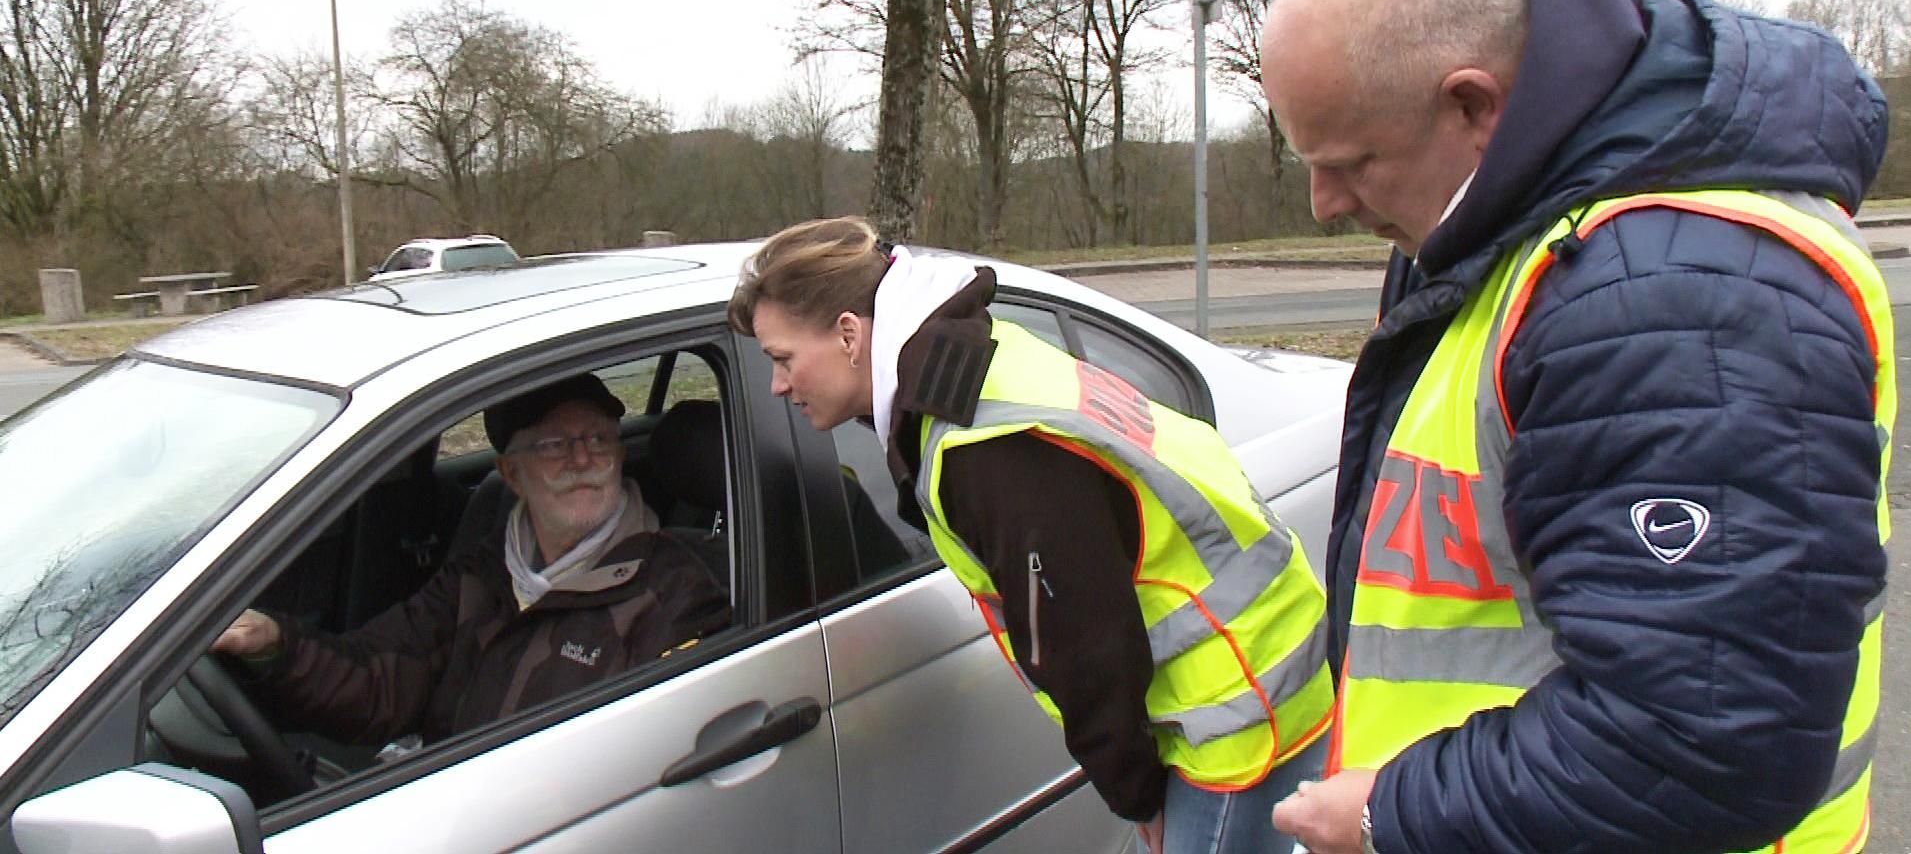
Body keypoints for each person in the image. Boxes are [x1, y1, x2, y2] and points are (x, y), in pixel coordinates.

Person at [1260, 0, 1891, 853]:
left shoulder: (1674, 299)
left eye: (1350, 163)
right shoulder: (1504, 219)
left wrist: (1391, 812)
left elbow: (1701, 739)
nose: (1325, 206)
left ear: (1472, 105)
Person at [728, 218, 1335, 854]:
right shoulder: (973, 358)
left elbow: (1085, 648)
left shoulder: (984, 447)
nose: (777, 385)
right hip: (1252, 668)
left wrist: (1138, 799)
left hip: (1232, 713)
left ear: (850, 335)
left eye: (782, 359)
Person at [213, 372, 731, 747]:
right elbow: (379, 678)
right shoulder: (481, 575)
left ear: (618, 455)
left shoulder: (676, 592)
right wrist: (275, 646)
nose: (582, 459)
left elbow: (637, 761)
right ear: (511, 475)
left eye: (598, 439)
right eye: (554, 445)